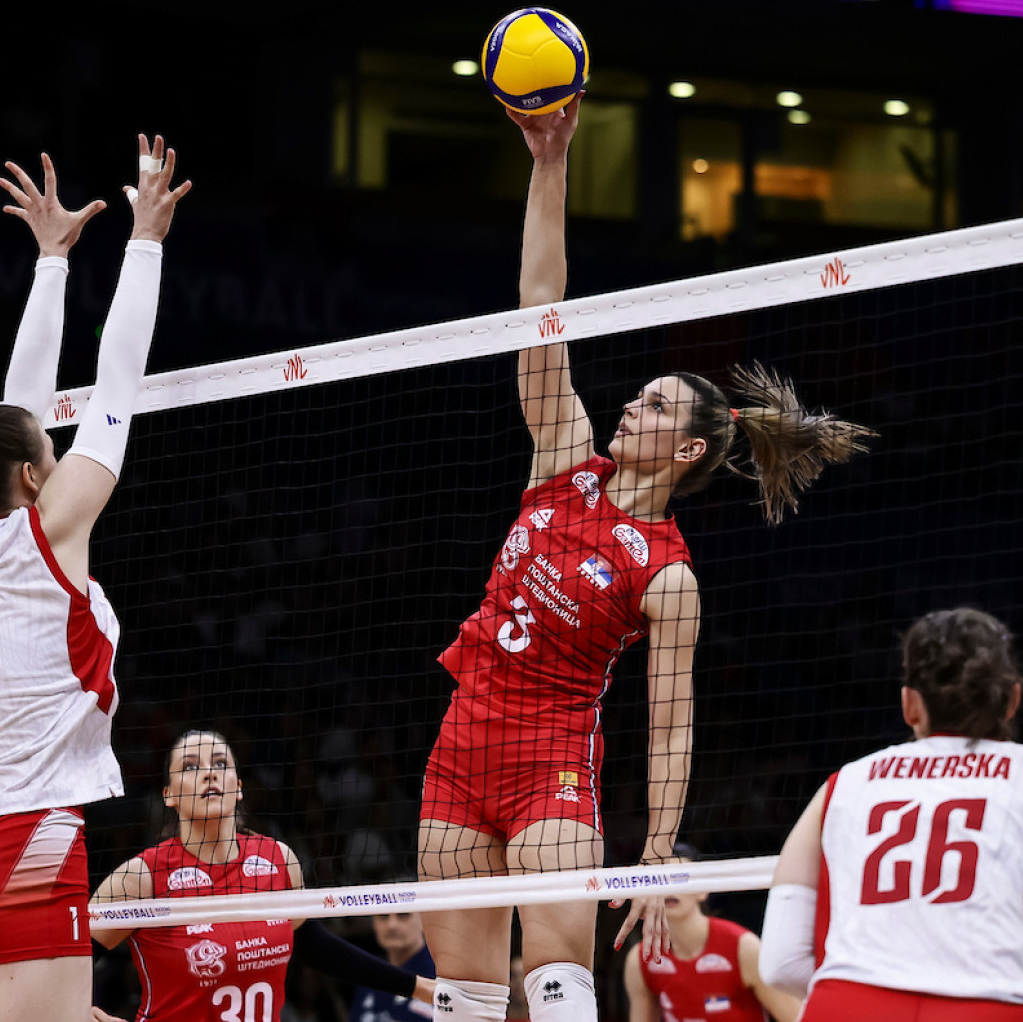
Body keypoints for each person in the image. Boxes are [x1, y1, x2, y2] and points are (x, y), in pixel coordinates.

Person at [418, 95, 875, 1022]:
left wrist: (659, 848)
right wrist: (549, 164)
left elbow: (668, 727)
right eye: (640, 395)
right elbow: (539, 309)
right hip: (458, 746)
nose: (632, 404)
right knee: (462, 1002)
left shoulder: (668, 574)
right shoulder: (563, 459)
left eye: (657, 406)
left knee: (555, 990)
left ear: (687, 450)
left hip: (551, 765)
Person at [0, 136, 190, 1022]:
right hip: (20, 843)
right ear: (32, 478)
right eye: (51, 456)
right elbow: (117, 382)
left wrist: (53, 261)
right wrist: (145, 241)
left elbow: (17, 408)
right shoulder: (51, 528)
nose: (59, 458)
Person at [759, 607, 1023, 1021]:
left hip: (848, 1006)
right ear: (1012, 700)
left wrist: (864, 983)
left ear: (909, 704)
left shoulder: (844, 783)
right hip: (989, 1006)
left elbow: (780, 961)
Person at [90, 730, 435, 1022]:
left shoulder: (278, 859)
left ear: (238, 787)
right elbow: (70, 958)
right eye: (190, 766)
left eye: (220, 764)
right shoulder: (141, 876)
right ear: (169, 795)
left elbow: (316, 947)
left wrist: (419, 987)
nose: (209, 774)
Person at [622, 845, 800, 1022]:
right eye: (662, 879)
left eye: (679, 877)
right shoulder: (640, 959)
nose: (670, 888)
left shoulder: (744, 948)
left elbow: (798, 1017)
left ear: (703, 890)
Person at [349, 905, 435, 1022]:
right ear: (374, 923)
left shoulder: (443, 974)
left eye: (403, 915)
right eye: (383, 916)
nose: (392, 925)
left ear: (424, 920)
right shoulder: (369, 976)